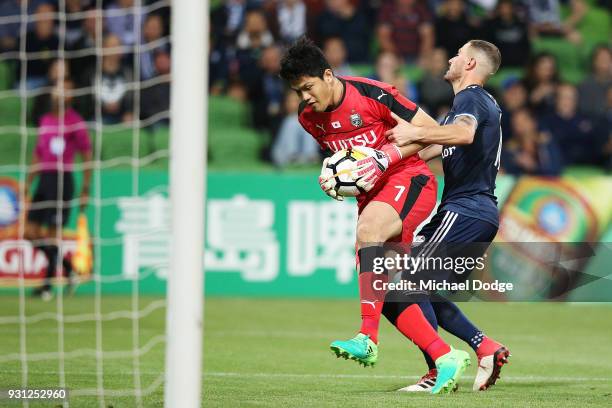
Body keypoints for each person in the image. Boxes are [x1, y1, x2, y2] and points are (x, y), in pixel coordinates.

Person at [279, 37, 471, 395]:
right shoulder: (309, 119)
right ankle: (445, 357)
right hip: (373, 196)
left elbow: (432, 132)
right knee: (389, 289)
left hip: (409, 179)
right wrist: (337, 178)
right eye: (297, 91)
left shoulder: (374, 93)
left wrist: (387, 156)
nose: (304, 97)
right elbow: (349, 162)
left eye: (308, 87)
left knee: (367, 235)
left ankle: (367, 337)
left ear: (328, 75)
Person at [385, 40, 510, 392]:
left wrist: (415, 130)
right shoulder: (474, 105)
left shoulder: (470, 98)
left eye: (457, 54)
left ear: (469, 64)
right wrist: (380, 162)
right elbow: (434, 147)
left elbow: (463, 134)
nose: (451, 58)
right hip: (472, 212)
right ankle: (485, 347)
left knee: (405, 285)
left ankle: (438, 371)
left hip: (466, 209)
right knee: (422, 291)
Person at [26, 79, 92, 300]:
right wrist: (28, 181)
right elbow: (38, 152)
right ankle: (69, 268)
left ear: (70, 96)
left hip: (63, 180)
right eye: (57, 89)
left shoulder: (75, 122)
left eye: (65, 90)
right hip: (44, 179)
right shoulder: (45, 120)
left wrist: (85, 187)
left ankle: (46, 286)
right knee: (30, 232)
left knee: (53, 234)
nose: (60, 94)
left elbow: (87, 155)